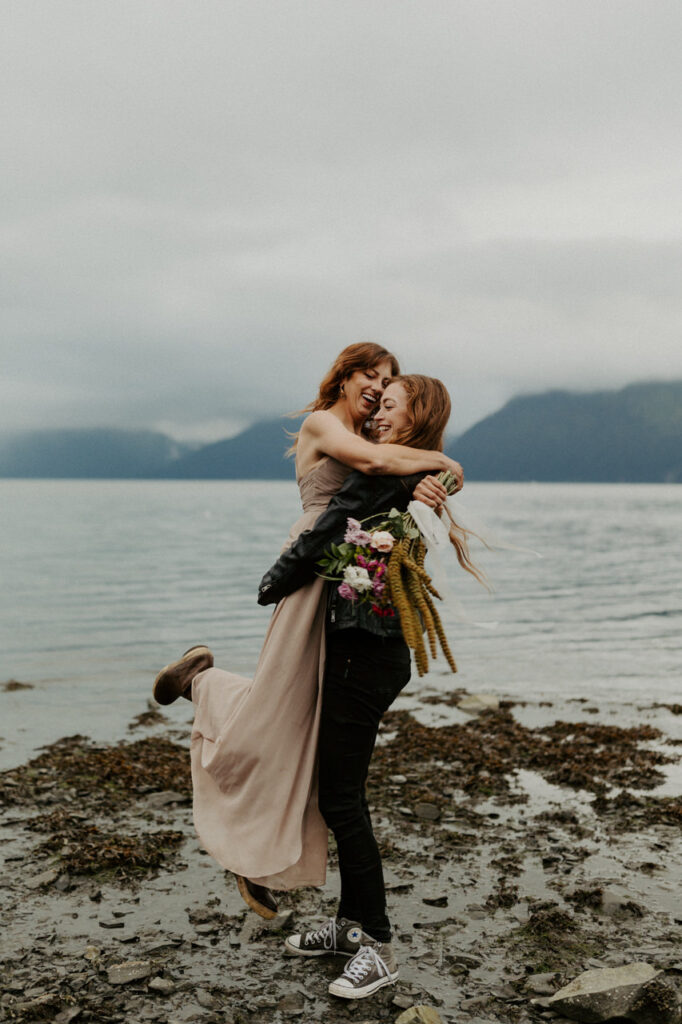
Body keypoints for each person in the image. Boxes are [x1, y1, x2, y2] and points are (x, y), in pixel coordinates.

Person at [152, 346, 462, 921]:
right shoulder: (325, 424)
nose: (377, 385)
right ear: (343, 377)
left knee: (296, 725)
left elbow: (392, 490)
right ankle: (206, 686)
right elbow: (370, 467)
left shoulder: (386, 445)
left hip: (344, 587)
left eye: (388, 380)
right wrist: (445, 463)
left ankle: (257, 856)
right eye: (370, 374)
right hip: (313, 574)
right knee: (277, 709)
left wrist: (434, 479)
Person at [257, 375, 477, 1000]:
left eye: (389, 407)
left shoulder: (394, 474)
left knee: (343, 800)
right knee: (338, 795)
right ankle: (348, 928)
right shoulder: (412, 473)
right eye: (375, 407)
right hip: (364, 649)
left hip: (368, 654)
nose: (377, 417)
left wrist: (276, 579)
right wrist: (443, 472)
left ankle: (374, 944)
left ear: (417, 415)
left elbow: (330, 527)